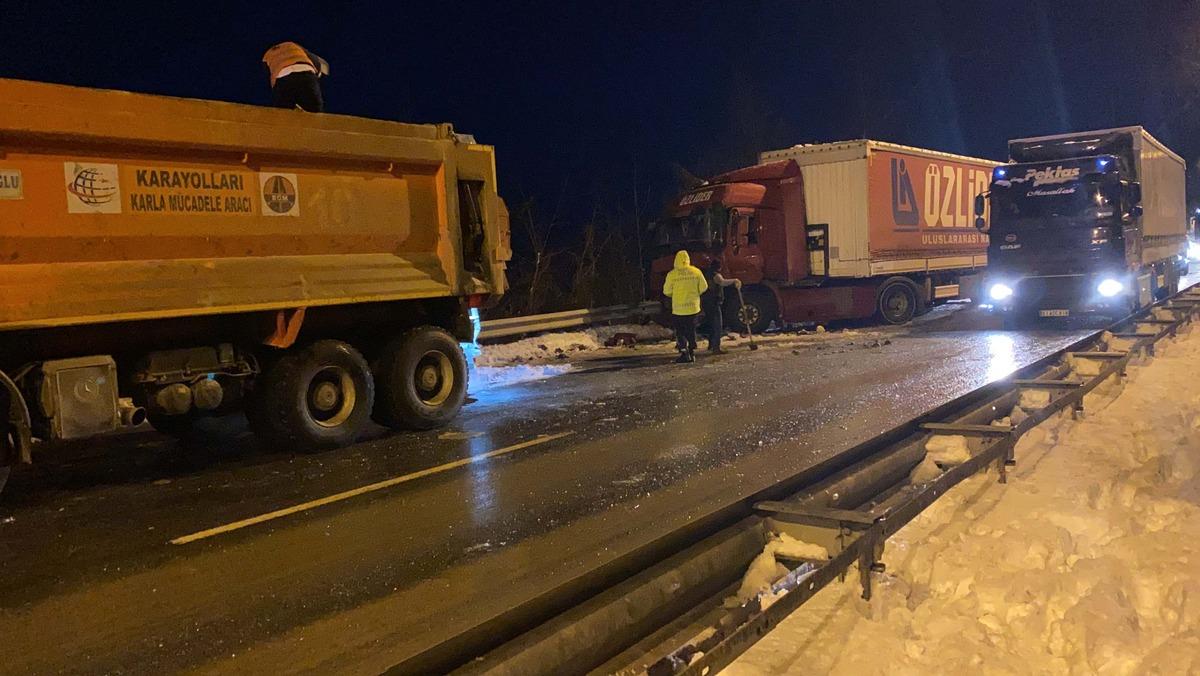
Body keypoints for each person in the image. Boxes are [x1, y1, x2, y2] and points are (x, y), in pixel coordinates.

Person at [662, 250, 708, 363]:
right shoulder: (696, 272)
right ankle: (692, 351)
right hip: (693, 307)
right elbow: (704, 287)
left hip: (679, 309)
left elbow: (666, 291)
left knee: (680, 331)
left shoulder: (672, 274)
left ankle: (684, 352)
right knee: (691, 330)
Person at [263, 41, 330, 112]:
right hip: (305, 73)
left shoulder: (266, 57)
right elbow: (316, 62)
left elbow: (269, 76)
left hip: (282, 77)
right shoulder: (292, 45)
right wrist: (319, 74)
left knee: (281, 112)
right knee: (315, 110)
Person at [701, 259, 741, 354]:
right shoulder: (716, 275)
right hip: (714, 302)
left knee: (711, 324)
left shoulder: (706, 274)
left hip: (706, 302)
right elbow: (722, 282)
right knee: (717, 325)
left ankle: (711, 345)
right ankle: (716, 347)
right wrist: (734, 281)